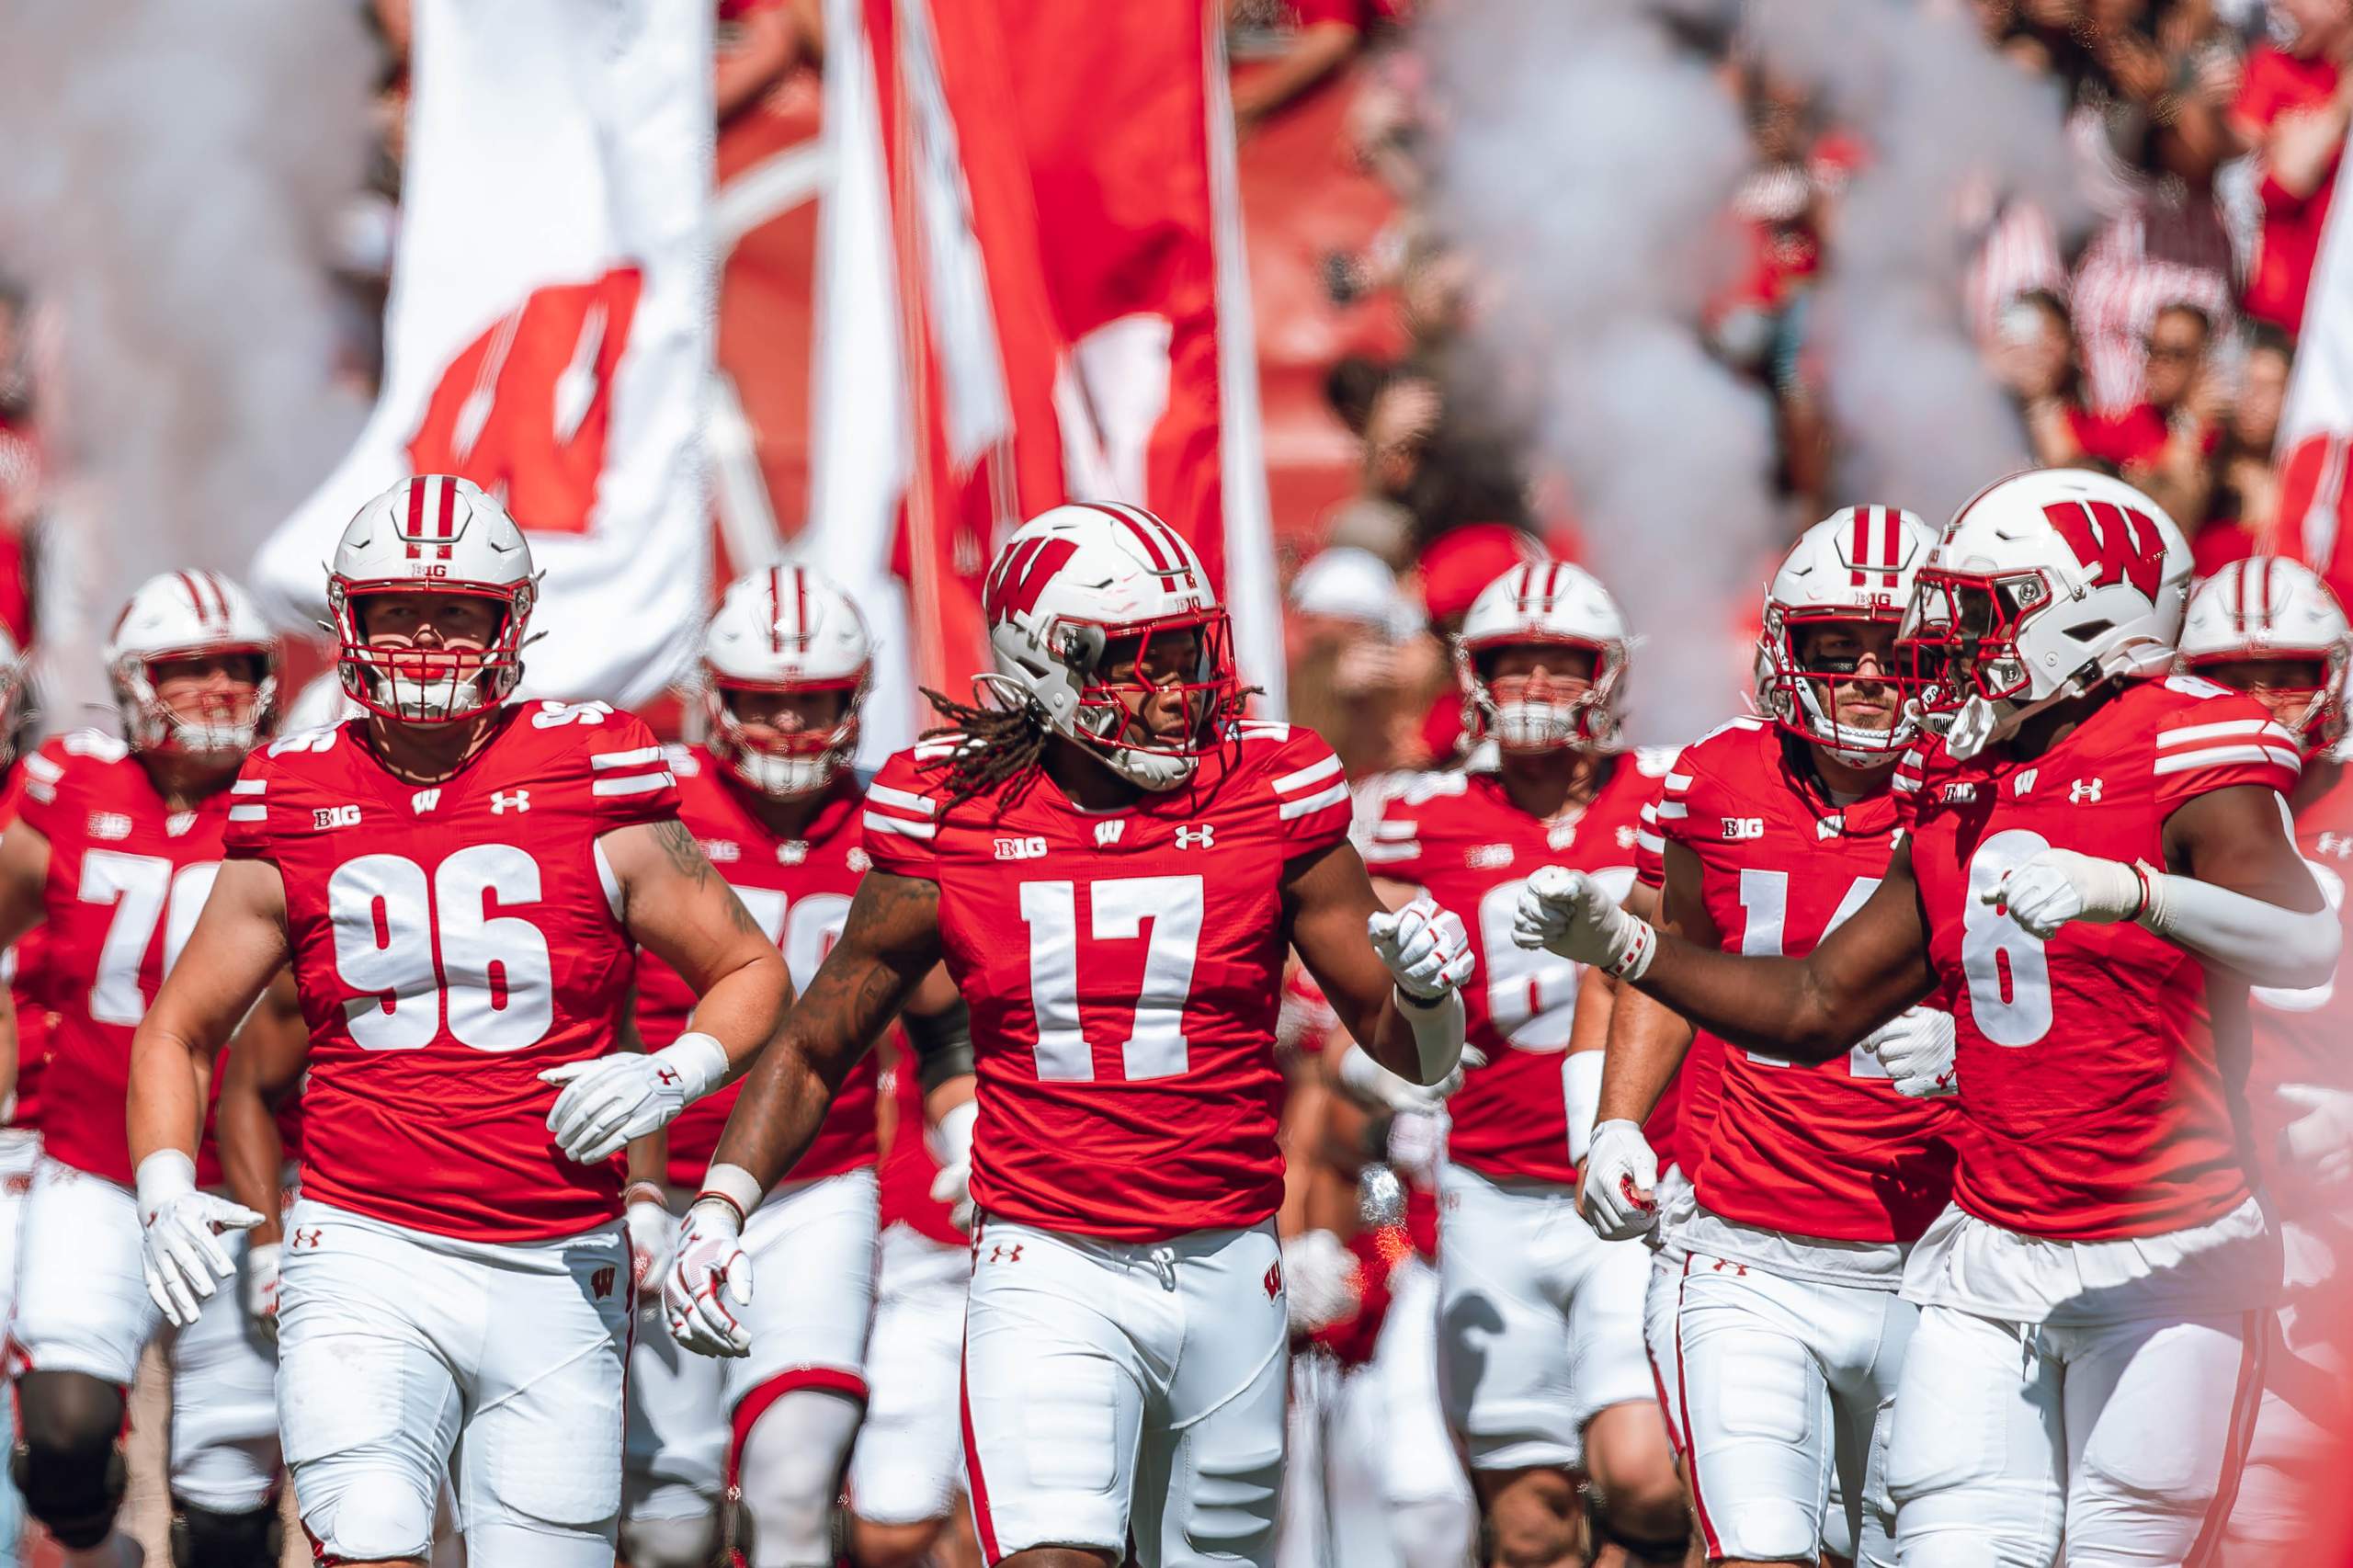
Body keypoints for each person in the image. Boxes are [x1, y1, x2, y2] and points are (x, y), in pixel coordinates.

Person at [1516, 468, 2335, 1564]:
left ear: (2085, 612)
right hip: (1985, 1254)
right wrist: (1624, 948)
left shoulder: (2185, 744)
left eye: (1985, 614)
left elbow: (2307, 943)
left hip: (2169, 1254)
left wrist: (2133, 893)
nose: (1943, 652)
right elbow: (1814, 1003)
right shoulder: (1960, 775)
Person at [663, 500, 1478, 1568]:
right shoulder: (951, 807)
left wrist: (1428, 1000)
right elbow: (822, 1039)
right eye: (1137, 660)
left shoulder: (1267, 786)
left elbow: (1409, 1049)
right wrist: (721, 1204)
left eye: (1185, 650)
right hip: (1044, 1256)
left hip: (1228, 1253)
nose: (1175, 687)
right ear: (1045, 665)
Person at [123, 475, 794, 1568]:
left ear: (510, 621)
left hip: (557, 1252)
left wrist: (675, 1070)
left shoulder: (593, 767)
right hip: (362, 1241)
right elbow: (181, 1027)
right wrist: (160, 1185)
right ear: (349, 617)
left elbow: (749, 968)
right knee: (370, 1540)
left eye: (458, 611)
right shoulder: (290, 789)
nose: (426, 636)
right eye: (396, 608)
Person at [1586, 508, 1960, 1568]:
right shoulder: (1714, 775)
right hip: (1743, 1246)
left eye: (1901, 654)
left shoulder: (1982, 793)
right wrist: (1615, 1119)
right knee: (1757, 1551)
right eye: (1837, 651)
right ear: (1785, 650)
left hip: (1936, 1252)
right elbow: (1671, 953)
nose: (1869, 679)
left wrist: (1970, 1058)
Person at [620, 566, 970, 1568]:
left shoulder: (888, 820)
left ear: (854, 697)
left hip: (817, 1184)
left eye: (812, 699)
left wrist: (962, 1132)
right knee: (670, 1514)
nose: (787, 725)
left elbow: (940, 1023)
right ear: (714, 698)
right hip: (663, 1180)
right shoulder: (653, 807)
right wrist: (638, 1184)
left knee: (792, 1479)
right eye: (764, 700)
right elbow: (597, 1007)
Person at [1363, 561, 1687, 1567]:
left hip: (1640, 1182)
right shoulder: (1412, 814)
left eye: (1562, 666)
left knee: (1643, 1470)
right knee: (1528, 1518)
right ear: (1473, 678)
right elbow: (1341, 979)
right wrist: (1374, 1055)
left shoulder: (1671, 793)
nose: (1537, 689)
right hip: (1490, 1185)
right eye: (1514, 667)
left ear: (1608, 675)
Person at [0, 571, 287, 1568]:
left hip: (250, 1184)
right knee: (66, 1435)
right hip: (93, 1163)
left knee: (228, 1513)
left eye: (235, 664)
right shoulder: (73, 784)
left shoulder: (300, 795)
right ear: (131, 682)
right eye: (186, 666)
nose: (215, 685)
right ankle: (100, 1549)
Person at [2171, 556, 2353, 1558]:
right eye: (2226, 679)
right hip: (2196, 1195)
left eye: (2284, 673)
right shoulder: (2138, 807)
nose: (2256, 705)